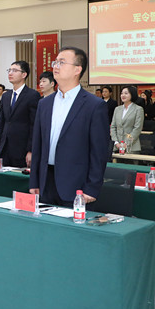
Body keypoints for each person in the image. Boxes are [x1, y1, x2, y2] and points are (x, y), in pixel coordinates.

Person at [30, 47, 110, 205]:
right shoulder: (44, 103)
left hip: (76, 185)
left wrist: (92, 187)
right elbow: (37, 145)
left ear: (77, 70)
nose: (56, 66)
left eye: (61, 62)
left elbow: (99, 152)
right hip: (45, 183)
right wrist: (34, 181)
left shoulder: (94, 105)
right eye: (55, 62)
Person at [0, 61, 40, 168]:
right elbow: (1, 124)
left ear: (24, 74)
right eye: (9, 70)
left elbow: (34, 125)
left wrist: (31, 150)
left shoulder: (32, 95)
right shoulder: (6, 96)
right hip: (5, 148)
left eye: (14, 70)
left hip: (22, 149)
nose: (10, 73)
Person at [110, 85, 144, 152]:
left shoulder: (138, 109)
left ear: (132, 95)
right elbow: (113, 127)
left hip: (131, 147)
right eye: (122, 93)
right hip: (117, 147)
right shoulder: (117, 109)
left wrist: (126, 144)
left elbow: (137, 129)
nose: (123, 95)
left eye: (126, 93)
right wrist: (116, 142)